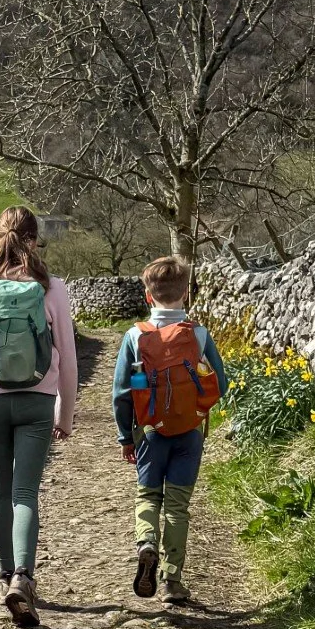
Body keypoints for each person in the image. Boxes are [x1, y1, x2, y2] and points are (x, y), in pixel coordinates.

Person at [0, 205, 78, 627]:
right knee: (26, 492)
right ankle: (24, 576)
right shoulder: (52, 288)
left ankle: (6, 573)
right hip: (38, 400)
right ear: (34, 240)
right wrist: (66, 412)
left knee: (0, 490)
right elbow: (69, 358)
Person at [112, 256, 227, 608]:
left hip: (149, 432)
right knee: (178, 506)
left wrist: (125, 437)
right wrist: (195, 407)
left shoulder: (135, 336)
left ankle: (146, 543)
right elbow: (221, 382)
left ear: (149, 296)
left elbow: (121, 392)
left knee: (148, 497)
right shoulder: (199, 334)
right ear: (186, 293)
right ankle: (172, 581)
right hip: (189, 430)